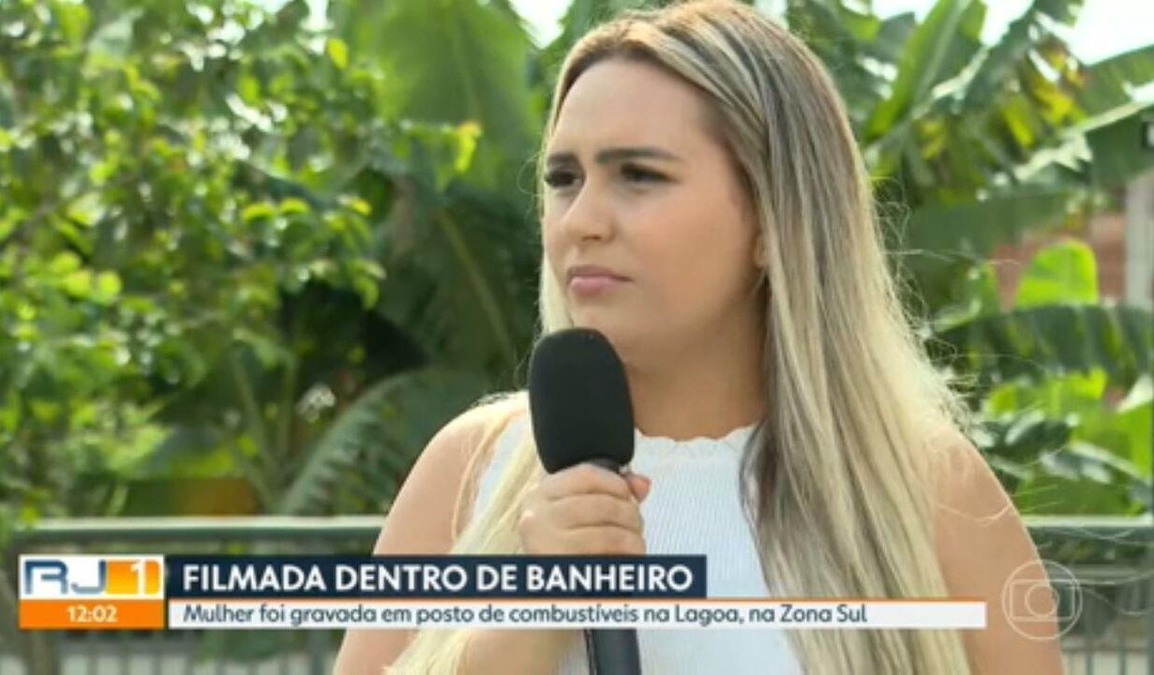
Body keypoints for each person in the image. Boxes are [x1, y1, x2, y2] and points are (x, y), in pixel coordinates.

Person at [334, 1, 1067, 673]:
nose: (581, 219)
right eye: (563, 178)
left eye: (639, 176)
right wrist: (529, 618)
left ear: (772, 219)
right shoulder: (471, 470)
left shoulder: (928, 492)